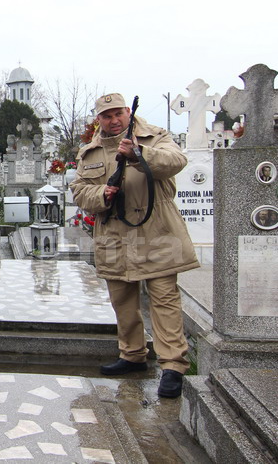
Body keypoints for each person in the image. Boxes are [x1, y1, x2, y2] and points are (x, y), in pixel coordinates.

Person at [71, 92, 199, 398]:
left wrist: (139, 154)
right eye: (106, 115)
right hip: (115, 236)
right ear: (98, 119)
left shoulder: (156, 137)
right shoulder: (90, 152)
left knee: (164, 301)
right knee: (123, 301)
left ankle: (172, 366)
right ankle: (132, 355)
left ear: (128, 113)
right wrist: (102, 194)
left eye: (118, 114)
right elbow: (79, 191)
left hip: (158, 233)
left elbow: (175, 161)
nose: (114, 120)